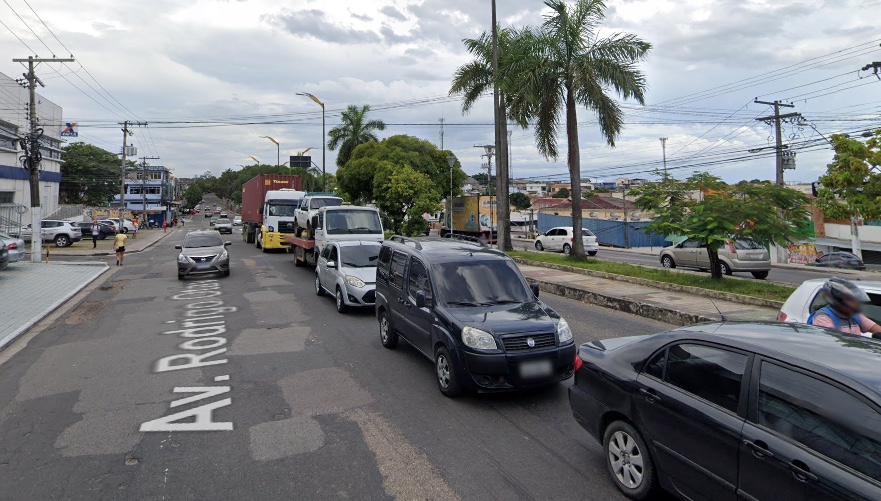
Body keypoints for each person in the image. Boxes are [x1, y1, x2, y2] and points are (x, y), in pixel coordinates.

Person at [808, 278, 881, 338]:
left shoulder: (855, 316)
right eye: (850, 300)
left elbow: (877, 329)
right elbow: (833, 340)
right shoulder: (823, 317)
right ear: (838, 300)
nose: (855, 304)